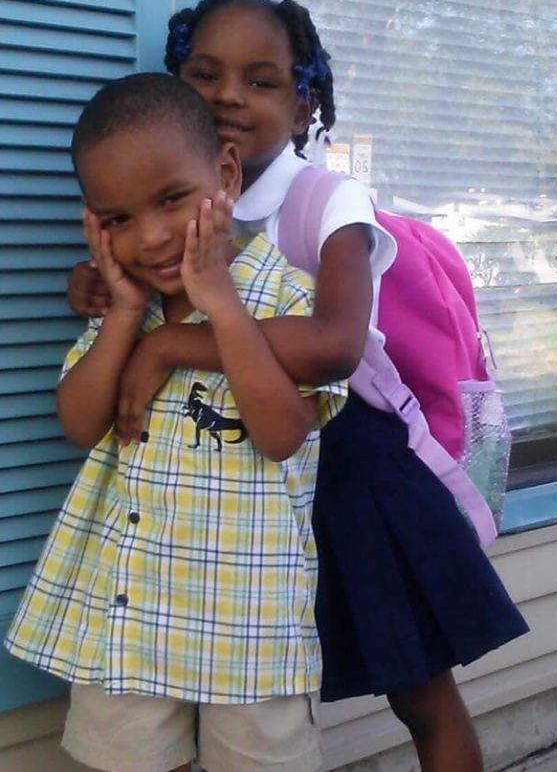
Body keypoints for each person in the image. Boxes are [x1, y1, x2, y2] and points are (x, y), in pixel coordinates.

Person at [66, 0, 529, 772]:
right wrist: (95, 288)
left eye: (261, 80)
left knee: (419, 690)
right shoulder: (163, 200)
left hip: (350, 468)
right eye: (204, 74)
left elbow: (334, 344)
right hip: (234, 488)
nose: (228, 95)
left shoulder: (326, 198)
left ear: (304, 102)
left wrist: (172, 344)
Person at [5, 72, 348, 772]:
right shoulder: (123, 309)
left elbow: (282, 435)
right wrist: (126, 316)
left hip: (249, 624)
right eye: (119, 219)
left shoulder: (284, 295)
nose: (153, 236)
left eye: (171, 199)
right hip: (129, 615)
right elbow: (79, 422)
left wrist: (220, 303)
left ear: (226, 174)